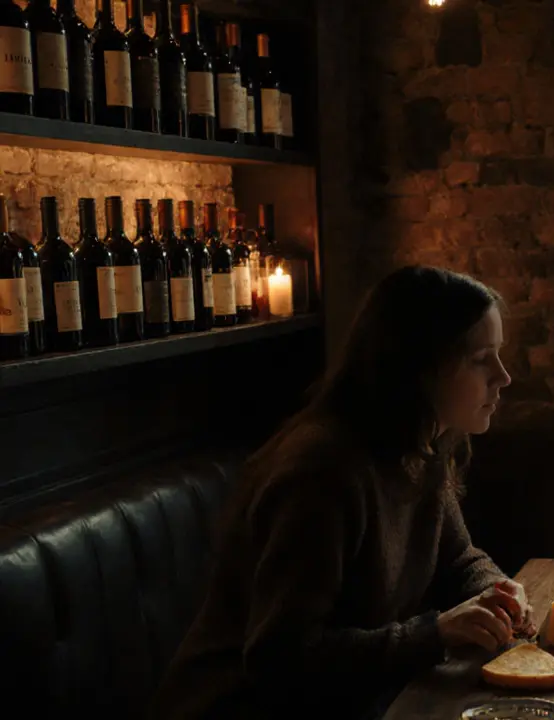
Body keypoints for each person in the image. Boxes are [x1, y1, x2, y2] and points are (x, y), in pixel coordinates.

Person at [151, 266, 531, 720]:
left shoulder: (421, 444)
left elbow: (457, 559)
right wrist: (435, 633)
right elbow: (281, 658)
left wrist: (499, 592)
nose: (504, 377)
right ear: (420, 367)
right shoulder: (323, 471)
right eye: (481, 358)